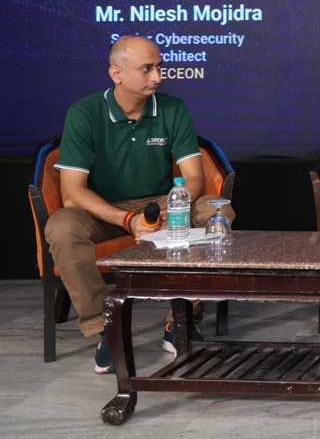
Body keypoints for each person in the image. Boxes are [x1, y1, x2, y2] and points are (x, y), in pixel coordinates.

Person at [45, 35, 236, 373]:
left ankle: (182, 321)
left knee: (216, 210)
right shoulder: (84, 113)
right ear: (116, 74)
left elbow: (194, 178)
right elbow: (73, 193)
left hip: (162, 202)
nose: (157, 77)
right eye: (147, 69)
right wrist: (127, 219)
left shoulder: (173, 108)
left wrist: (172, 209)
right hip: (103, 210)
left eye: (159, 67)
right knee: (62, 226)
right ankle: (106, 328)